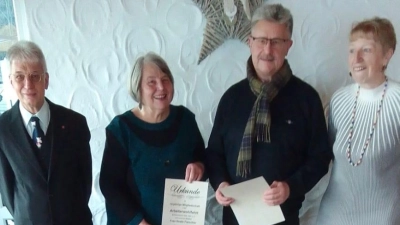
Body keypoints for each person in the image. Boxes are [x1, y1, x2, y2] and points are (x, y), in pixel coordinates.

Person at [205, 3, 332, 225]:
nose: (267, 50)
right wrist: (220, 183)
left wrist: (290, 187)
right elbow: (214, 153)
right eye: (261, 40)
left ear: (288, 46)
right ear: (250, 42)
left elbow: (320, 158)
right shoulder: (231, 99)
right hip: (234, 218)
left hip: (284, 218)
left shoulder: (307, 98)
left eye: (276, 42)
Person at [99, 52, 206, 225]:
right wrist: (138, 222)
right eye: (151, 82)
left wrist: (199, 166)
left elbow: (202, 157)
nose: (161, 87)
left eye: (165, 79)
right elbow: (110, 185)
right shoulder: (121, 128)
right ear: (138, 88)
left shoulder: (185, 119)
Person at [317, 17, 399, 225]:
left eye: (367, 50)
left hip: (384, 216)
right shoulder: (339, 99)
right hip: (335, 213)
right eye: (352, 50)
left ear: (386, 56)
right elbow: (328, 152)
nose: (357, 58)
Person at [0, 41, 92, 224]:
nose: (28, 84)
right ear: (11, 81)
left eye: (35, 76)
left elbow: (85, 182)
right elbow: (7, 189)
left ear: (46, 80)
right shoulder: (3, 129)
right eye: (19, 77)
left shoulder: (75, 124)